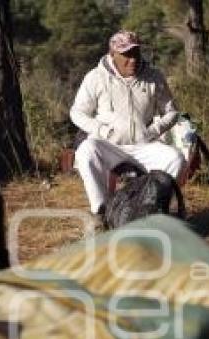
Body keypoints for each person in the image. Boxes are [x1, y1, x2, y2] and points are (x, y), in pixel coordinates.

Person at [71, 30, 185, 217]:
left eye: (136, 53)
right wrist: (101, 130)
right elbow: (77, 113)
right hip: (109, 145)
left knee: (175, 158)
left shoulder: (154, 77)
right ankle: (100, 212)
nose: (132, 59)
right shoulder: (95, 77)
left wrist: (153, 131)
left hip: (144, 145)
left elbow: (171, 112)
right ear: (113, 55)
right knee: (86, 150)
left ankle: (153, 210)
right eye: (126, 54)